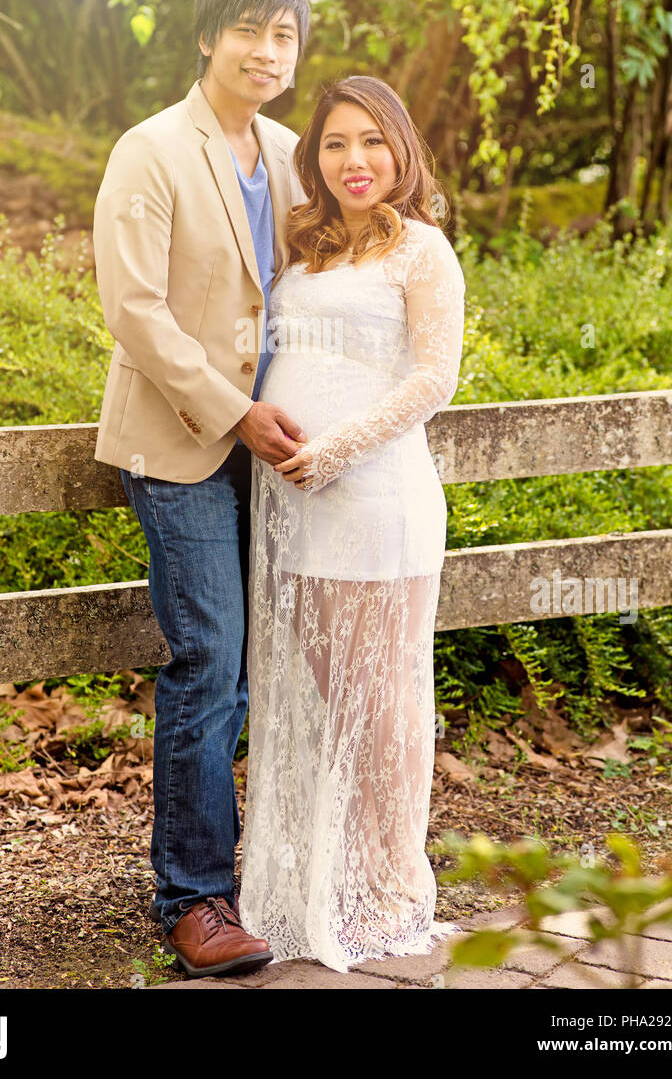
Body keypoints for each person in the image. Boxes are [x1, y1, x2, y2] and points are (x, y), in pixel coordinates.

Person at [92, 0, 312, 978]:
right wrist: (234, 413)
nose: (266, 54)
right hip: (183, 441)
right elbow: (135, 311)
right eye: (249, 33)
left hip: (279, 450)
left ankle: (268, 865)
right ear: (205, 38)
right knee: (209, 661)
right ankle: (192, 899)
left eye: (284, 37)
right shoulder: (149, 151)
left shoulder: (290, 150)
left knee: (269, 665)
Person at [238, 75, 466, 973]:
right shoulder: (307, 251)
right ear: (315, 159)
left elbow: (431, 379)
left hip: (376, 500)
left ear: (400, 150)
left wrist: (333, 451)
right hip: (297, 510)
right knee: (337, 693)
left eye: (372, 141)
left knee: (386, 702)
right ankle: (339, 868)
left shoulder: (421, 250)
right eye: (335, 144)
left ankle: (394, 884)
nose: (354, 160)